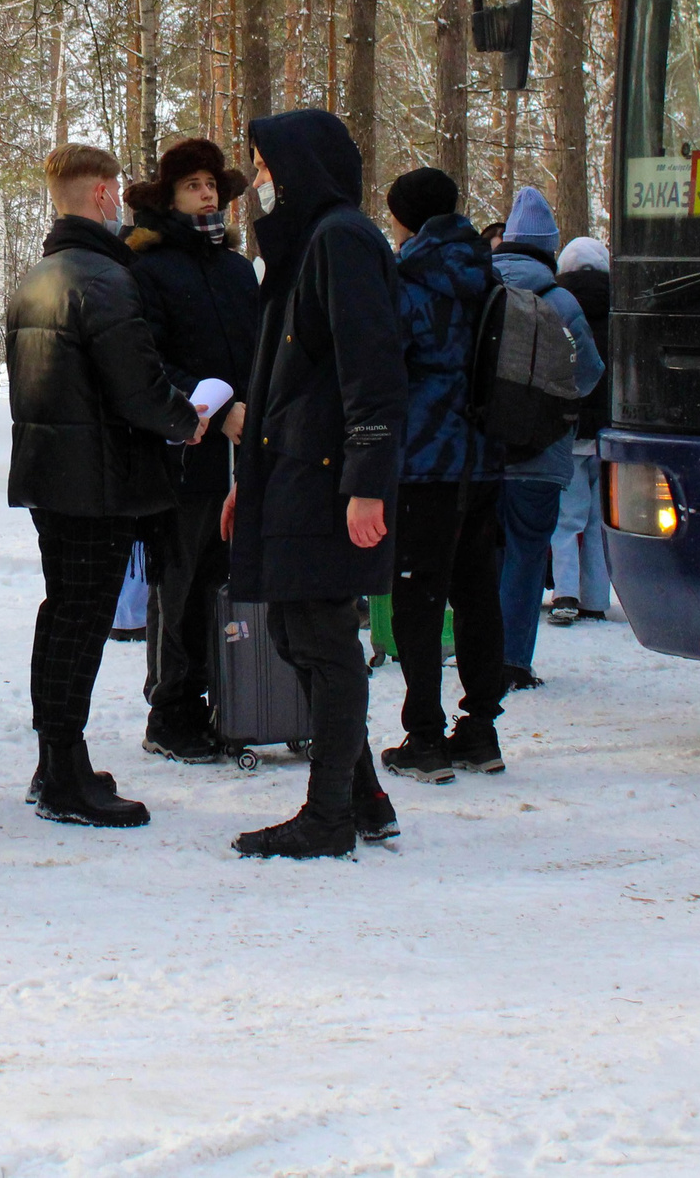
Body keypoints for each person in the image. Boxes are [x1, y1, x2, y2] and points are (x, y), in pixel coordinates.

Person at [221, 113, 406, 859]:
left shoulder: (341, 239)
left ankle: (329, 814)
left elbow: (374, 371)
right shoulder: (305, 244)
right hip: (290, 472)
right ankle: (360, 795)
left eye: (267, 166)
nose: (260, 181)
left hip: (328, 480)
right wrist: (250, 482)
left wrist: (368, 481)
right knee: (293, 631)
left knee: (323, 639)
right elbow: (273, 380)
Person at [6, 143, 202, 828]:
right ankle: (62, 773)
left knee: (63, 614)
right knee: (80, 623)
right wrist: (190, 417)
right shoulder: (105, 279)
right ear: (100, 197)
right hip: (97, 481)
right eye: (115, 190)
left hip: (55, 477)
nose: (120, 201)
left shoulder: (39, 275)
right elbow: (138, 388)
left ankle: (57, 761)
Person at [123, 137, 261, 763]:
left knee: (221, 584)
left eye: (213, 185)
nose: (207, 195)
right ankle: (169, 708)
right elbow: (146, 361)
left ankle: (215, 698)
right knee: (178, 583)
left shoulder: (235, 270)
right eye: (193, 186)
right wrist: (213, 409)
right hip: (183, 453)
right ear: (170, 198)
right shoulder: (149, 268)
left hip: (242, 453)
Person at [380, 166, 506, 784]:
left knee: (418, 599)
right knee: (478, 595)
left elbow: (387, 368)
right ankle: (481, 730)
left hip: (425, 464)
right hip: (484, 462)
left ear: (406, 217)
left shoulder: (408, 283)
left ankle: (424, 736)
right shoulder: (489, 273)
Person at [492, 187, 605, 693]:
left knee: (487, 553)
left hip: (486, 450)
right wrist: (557, 409)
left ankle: (481, 652)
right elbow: (590, 371)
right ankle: (513, 659)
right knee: (526, 553)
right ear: (549, 247)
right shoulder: (562, 301)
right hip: (541, 454)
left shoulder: (483, 291)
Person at [548, 235, 614, 627]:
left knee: (567, 519)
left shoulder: (557, 308)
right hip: (608, 434)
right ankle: (595, 596)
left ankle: (565, 593)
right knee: (599, 520)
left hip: (569, 431)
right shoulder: (619, 312)